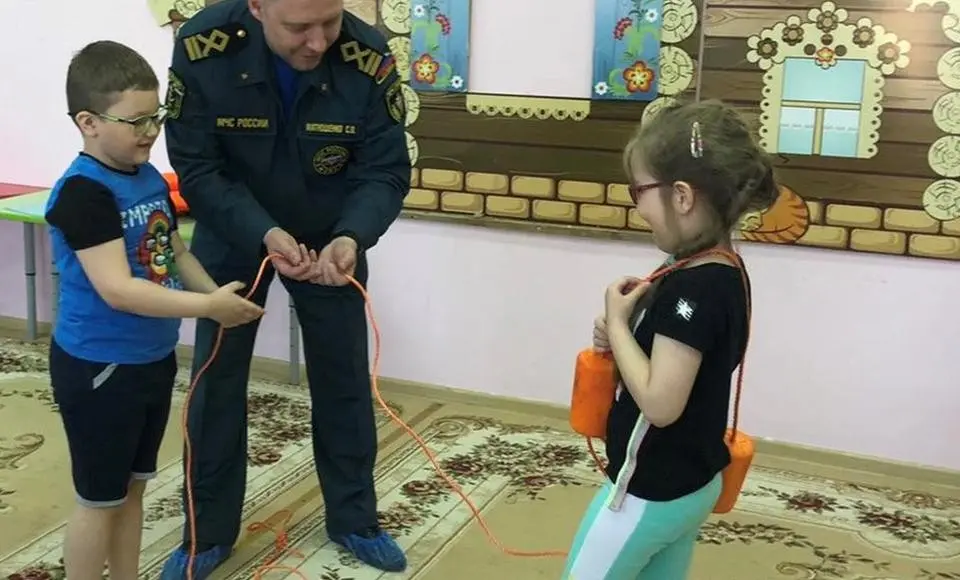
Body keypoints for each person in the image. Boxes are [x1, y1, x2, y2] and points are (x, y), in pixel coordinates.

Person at [158, 0, 411, 577]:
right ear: (256, 6)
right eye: (298, 27)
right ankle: (206, 533)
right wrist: (263, 232)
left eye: (330, 22)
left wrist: (353, 235)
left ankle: (354, 520)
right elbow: (196, 166)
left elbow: (385, 169)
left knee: (344, 379)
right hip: (233, 228)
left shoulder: (367, 55)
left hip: (329, 238)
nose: (318, 42)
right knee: (217, 381)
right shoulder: (203, 47)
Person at [44, 40, 264, 580]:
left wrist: (219, 297)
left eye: (156, 116)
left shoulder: (146, 179)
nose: (150, 131)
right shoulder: (83, 194)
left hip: (151, 358)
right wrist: (207, 305)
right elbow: (119, 290)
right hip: (100, 365)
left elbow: (176, 252)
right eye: (136, 121)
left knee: (133, 488)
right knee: (99, 499)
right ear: (88, 122)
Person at [562, 99, 778, 579]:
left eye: (639, 190)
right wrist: (622, 333)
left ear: (681, 196)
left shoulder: (694, 287)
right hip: (691, 484)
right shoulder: (719, 269)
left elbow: (661, 404)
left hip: (649, 492)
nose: (636, 205)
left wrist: (619, 325)